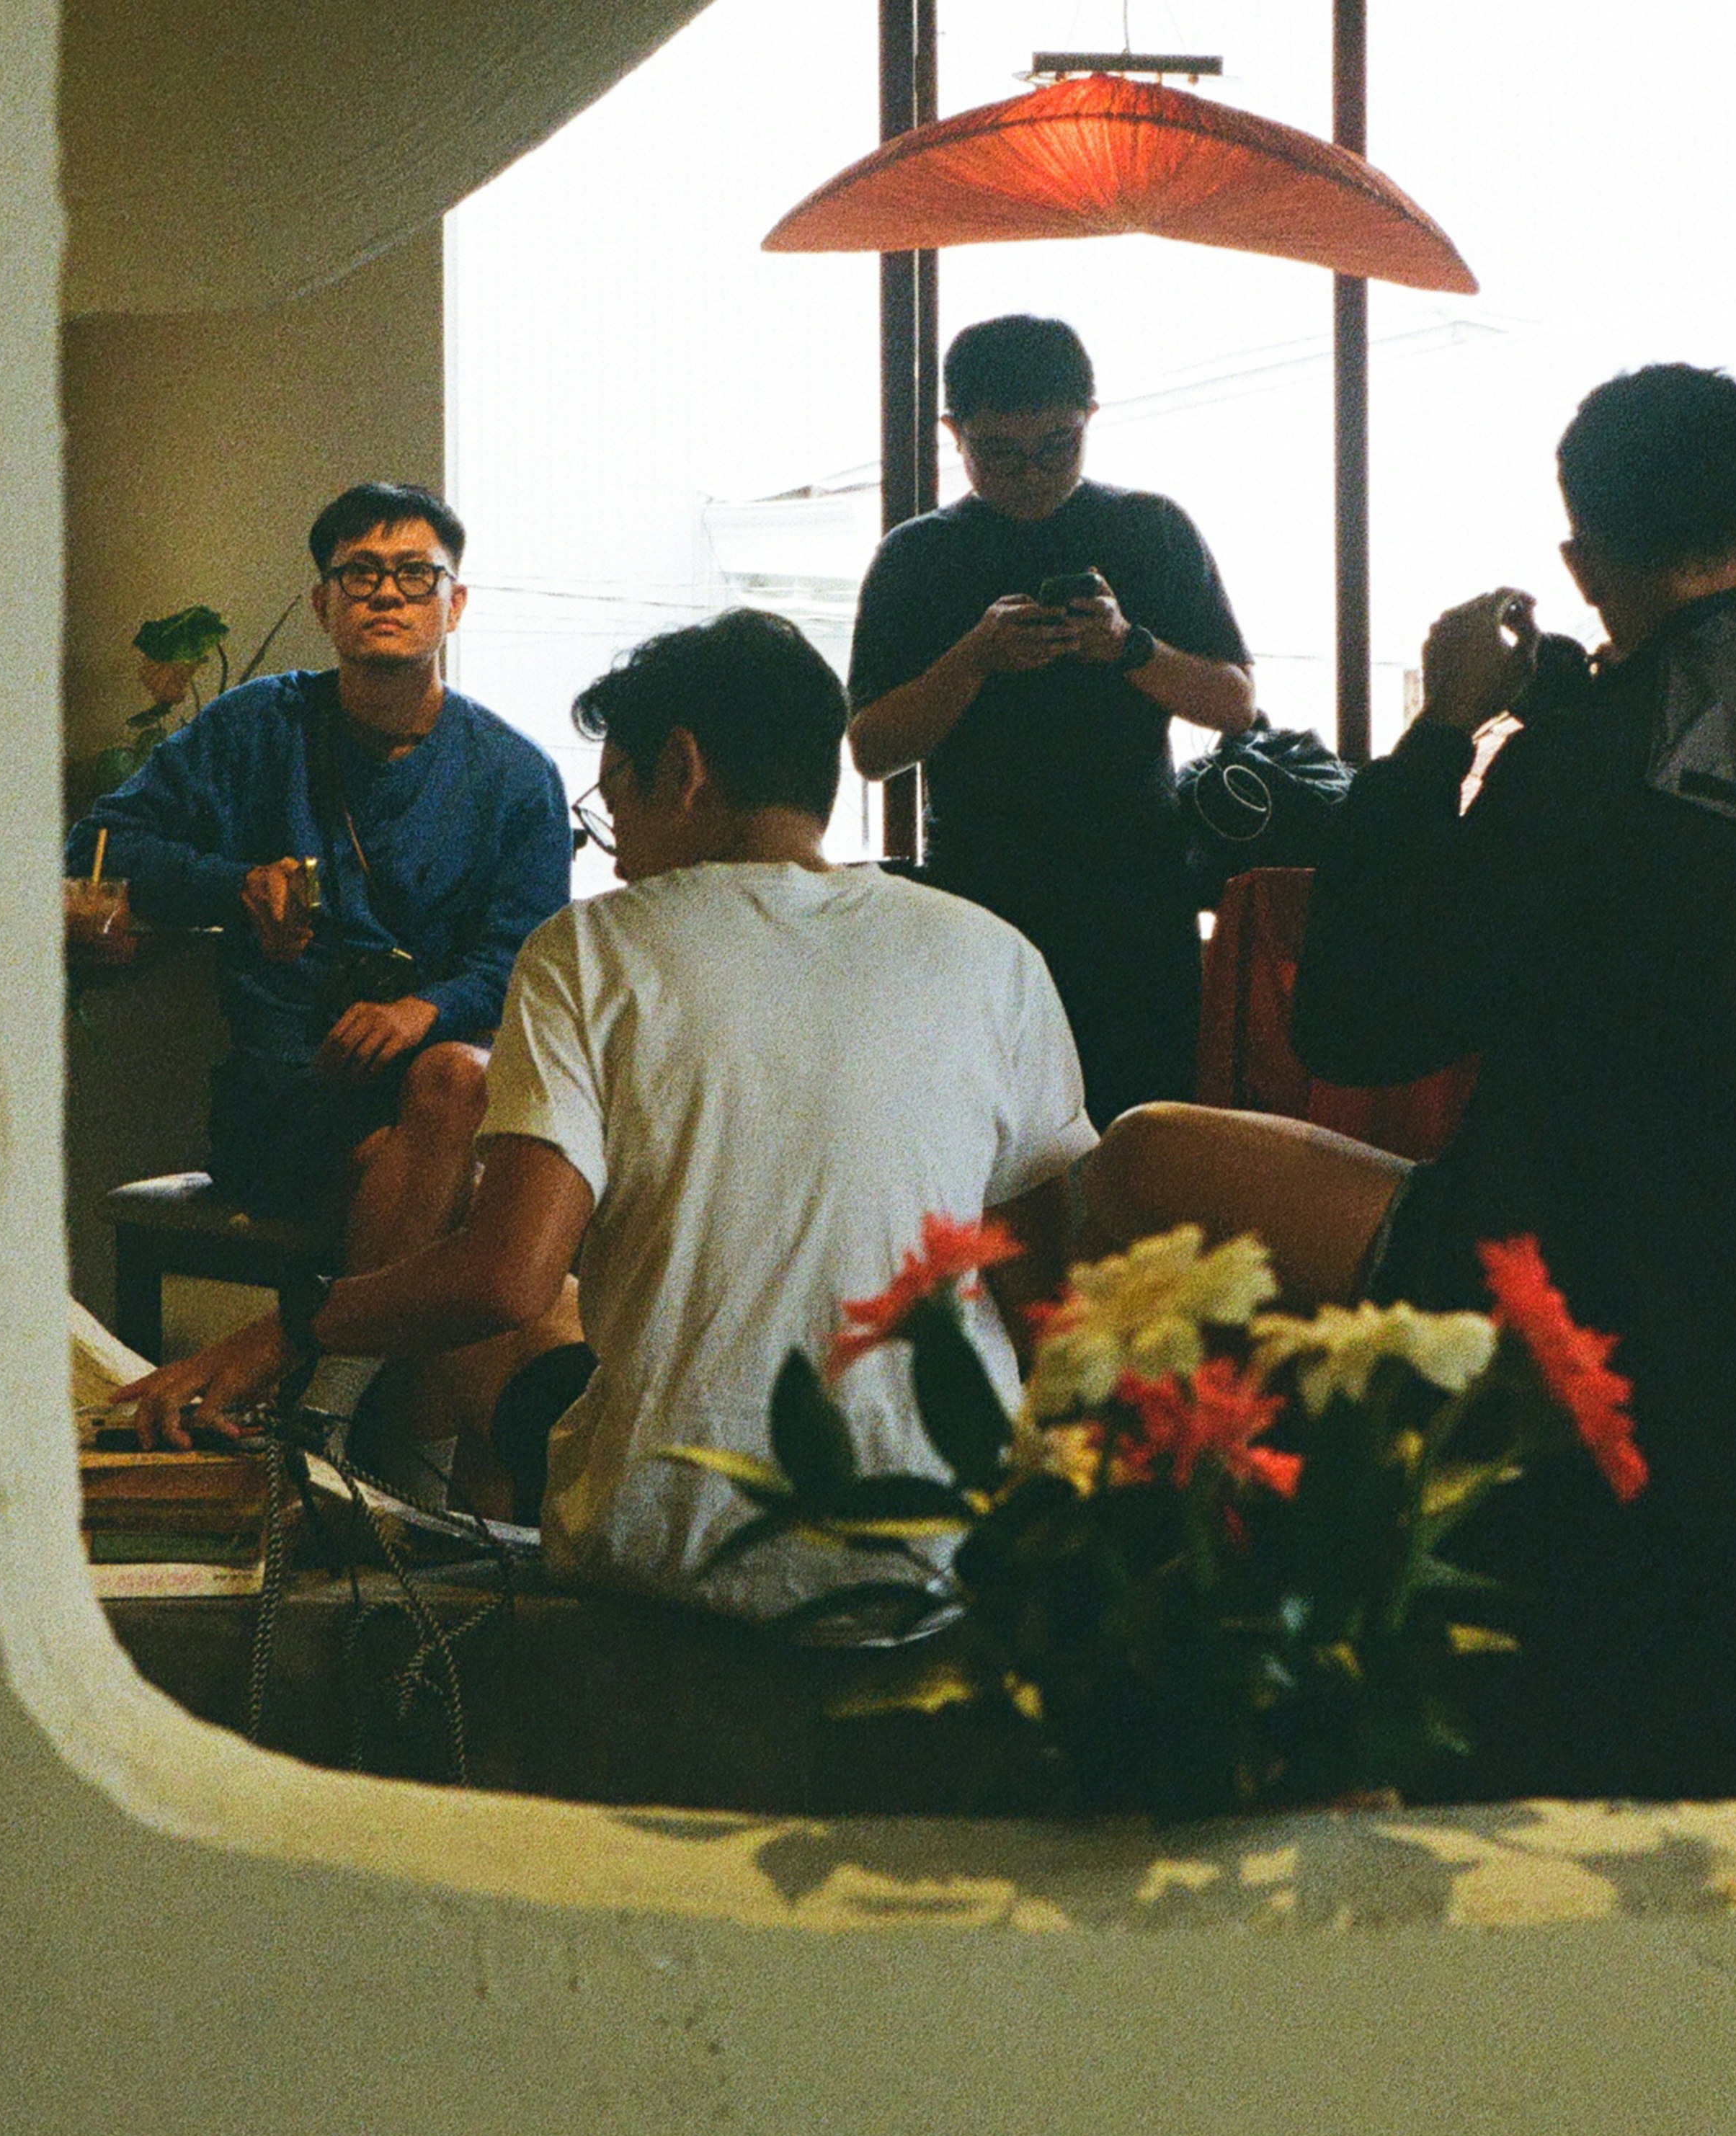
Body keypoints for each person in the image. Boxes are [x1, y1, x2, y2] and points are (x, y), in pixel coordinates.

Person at [1082, 365, 1736, 1802]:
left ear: (1579, 564)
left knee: (1142, 1159)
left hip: (1638, 1313)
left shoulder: (1591, 756)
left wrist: (1437, 738)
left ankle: (1228, 1678)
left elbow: (1356, 1030)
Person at [107, 612, 1096, 1614]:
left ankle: (392, 1512)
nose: (615, 855)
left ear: (683, 767)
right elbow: (1047, 1300)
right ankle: (411, 1505)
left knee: (504, 1306)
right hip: (944, 1548)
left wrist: (291, 1326)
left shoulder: (594, 950)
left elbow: (505, 1279)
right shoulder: (991, 954)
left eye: (614, 798)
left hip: (674, 1550)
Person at [66, 480, 572, 1279]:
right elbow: (98, 844)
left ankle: (322, 1383)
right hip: (285, 1095)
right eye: (360, 575)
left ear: (456, 602)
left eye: (416, 576)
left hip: (441, 1092)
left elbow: (528, 963)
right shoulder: (256, 726)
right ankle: (341, 1383)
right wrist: (234, 883)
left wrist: (422, 1010)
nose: (387, 596)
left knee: (452, 1086)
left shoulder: (515, 774)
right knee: (467, 1217)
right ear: (321, 603)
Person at [845, 313, 1256, 1123]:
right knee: (991, 1152)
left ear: (1090, 421)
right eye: (999, 453)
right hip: (979, 898)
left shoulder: (1151, 529)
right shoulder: (917, 556)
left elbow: (1234, 703)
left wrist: (1127, 647)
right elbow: (871, 751)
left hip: (1138, 899)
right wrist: (971, 661)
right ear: (953, 433)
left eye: (1057, 446)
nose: (1031, 474)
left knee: (1143, 1141)